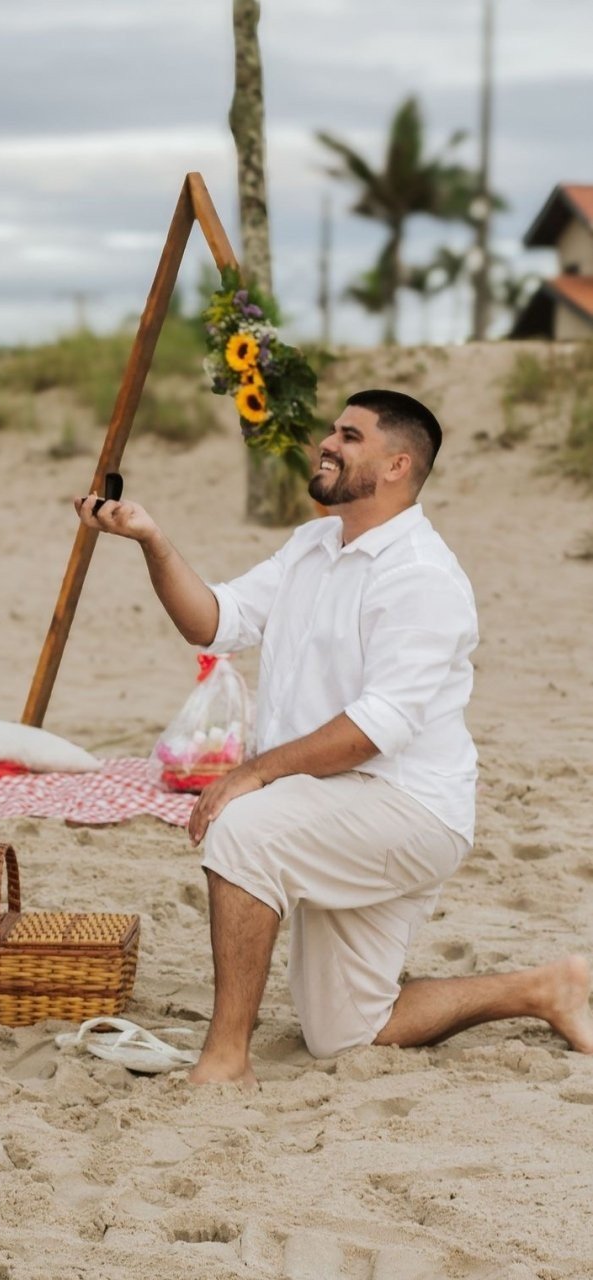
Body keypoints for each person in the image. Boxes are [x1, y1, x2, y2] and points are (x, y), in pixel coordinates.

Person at [76, 389, 593, 1084]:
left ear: (396, 465)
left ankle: (226, 1059)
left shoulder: (421, 576)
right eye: (332, 430)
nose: (327, 442)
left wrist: (252, 772)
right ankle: (543, 989)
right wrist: (152, 540)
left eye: (350, 436)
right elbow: (214, 621)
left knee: (245, 830)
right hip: (330, 801)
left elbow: (375, 729)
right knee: (345, 1032)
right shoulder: (313, 544)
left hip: (407, 807)